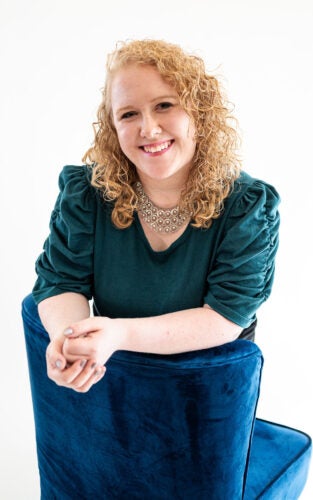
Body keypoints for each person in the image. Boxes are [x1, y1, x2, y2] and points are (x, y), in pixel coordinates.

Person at [32, 39, 280, 395]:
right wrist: (71, 342)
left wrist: (119, 334)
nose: (148, 129)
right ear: (113, 127)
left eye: (164, 105)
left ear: (199, 112)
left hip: (207, 395)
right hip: (108, 377)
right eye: (128, 114)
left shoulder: (248, 207)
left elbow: (225, 318)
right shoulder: (86, 193)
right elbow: (61, 281)